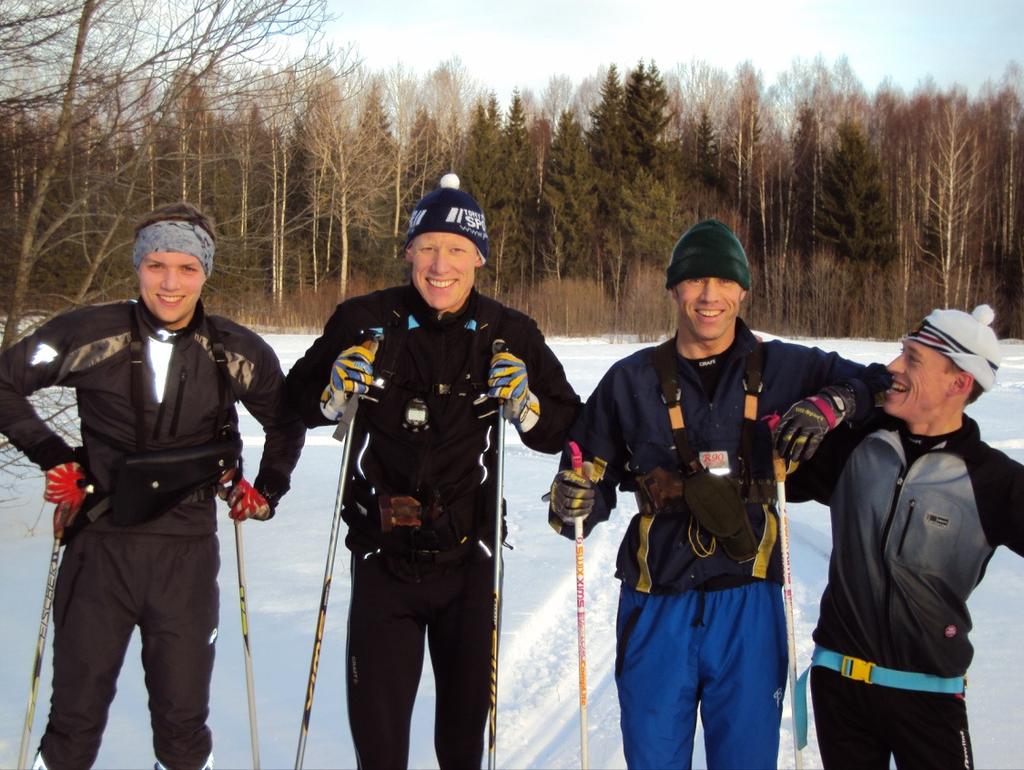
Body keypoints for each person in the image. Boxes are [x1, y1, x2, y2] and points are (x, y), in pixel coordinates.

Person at [546, 218, 889, 770]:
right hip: (656, 603)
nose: (710, 297)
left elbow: (877, 382)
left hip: (748, 604)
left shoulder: (784, 367)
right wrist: (574, 499)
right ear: (675, 288)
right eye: (696, 282)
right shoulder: (629, 380)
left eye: (724, 282)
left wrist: (830, 406)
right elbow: (585, 478)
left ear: (743, 291)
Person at [285, 173, 579, 769]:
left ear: (479, 258)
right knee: (381, 747)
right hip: (380, 557)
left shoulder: (509, 332)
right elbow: (290, 402)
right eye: (427, 248)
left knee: (461, 747)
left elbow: (568, 430)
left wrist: (528, 405)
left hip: (468, 564)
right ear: (409, 253)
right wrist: (329, 392)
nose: (439, 265)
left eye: (456, 250)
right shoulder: (364, 320)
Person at [0, 202, 305, 770]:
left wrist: (267, 489)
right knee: (74, 719)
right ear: (138, 266)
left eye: (187, 268)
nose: (170, 283)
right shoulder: (91, 332)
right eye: (156, 265)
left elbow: (286, 421)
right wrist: (52, 457)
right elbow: (6, 382)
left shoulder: (234, 349)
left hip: (186, 555)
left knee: (183, 723)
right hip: (100, 547)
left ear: (205, 272)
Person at [779, 305, 1024, 769]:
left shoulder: (992, 481)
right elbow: (768, 476)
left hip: (929, 699)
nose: (892, 368)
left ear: (959, 383)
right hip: (840, 689)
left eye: (912, 359)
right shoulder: (858, 447)